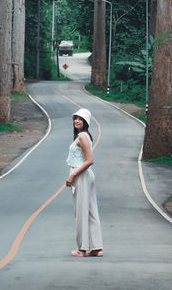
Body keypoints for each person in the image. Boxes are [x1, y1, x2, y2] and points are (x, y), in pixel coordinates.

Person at [65, 107, 103, 258]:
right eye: (75, 118)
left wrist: (72, 175)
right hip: (86, 176)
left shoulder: (82, 137)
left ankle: (82, 249)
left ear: (86, 122)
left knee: (81, 212)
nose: (76, 121)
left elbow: (90, 161)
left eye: (80, 119)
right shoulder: (85, 136)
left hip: (82, 176)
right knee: (91, 211)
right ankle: (96, 248)